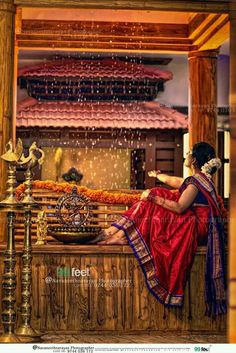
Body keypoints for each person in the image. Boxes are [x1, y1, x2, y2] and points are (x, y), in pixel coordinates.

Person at [96, 142, 227, 316]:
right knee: (158, 193)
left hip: (197, 226)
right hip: (197, 222)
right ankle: (118, 233)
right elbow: (176, 181)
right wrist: (159, 176)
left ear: (194, 159)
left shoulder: (196, 183)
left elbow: (180, 207)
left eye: (189, 153)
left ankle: (116, 232)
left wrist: (152, 197)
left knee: (156, 198)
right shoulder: (199, 179)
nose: (186, 155)